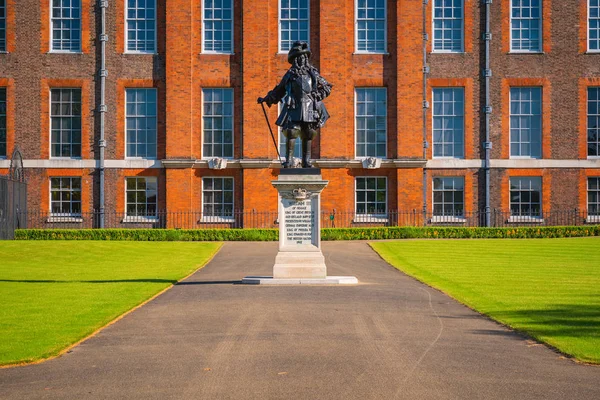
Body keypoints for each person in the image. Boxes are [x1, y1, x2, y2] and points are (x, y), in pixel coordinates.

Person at [258, 41, 332, 168]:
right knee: (291, 132)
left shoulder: (313, 73)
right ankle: (289, 160)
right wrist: (267, 98)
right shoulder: (290, 75)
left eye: (304, 57)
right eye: (299, 57)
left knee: (308, 133)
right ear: (295, 60)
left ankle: (306, 161)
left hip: (309, 106)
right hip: (294, 106)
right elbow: (280, 89)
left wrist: (317, 96)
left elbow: (326, 87)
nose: (302, 59)